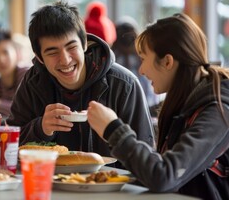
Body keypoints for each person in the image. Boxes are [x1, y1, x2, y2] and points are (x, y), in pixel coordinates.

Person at [87, 13, 229, 199]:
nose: (141, 70)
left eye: (144, 59)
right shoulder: (185, 101)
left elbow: (164, 176)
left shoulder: (218, 110)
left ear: (168, 61)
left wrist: (113, 130)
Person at [7, 1, 154, 158]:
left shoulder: (124, 85)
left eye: (71, 47)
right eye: (52, 52)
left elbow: (145, 156)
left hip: (113, 181)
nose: (65, 60)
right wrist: (40, 128)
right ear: (40, 58)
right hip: (48, 180)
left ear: (84, 43)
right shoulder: (32, 83)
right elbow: (9, 146)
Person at [0, 28, 29, 117]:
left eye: (5, 52)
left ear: (16, 53)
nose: (1, 59)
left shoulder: (26, 75)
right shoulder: (1, 82)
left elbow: (27, 110)